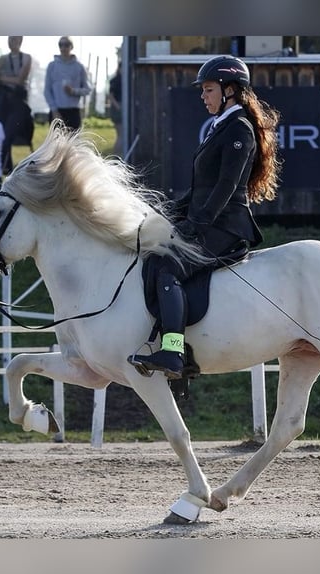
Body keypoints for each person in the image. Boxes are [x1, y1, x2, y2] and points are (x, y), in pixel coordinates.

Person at [128, 55, 282, 379]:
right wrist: (166, 211)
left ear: (230, 90)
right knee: (154, 258)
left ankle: (172, 350)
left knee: (166, 266)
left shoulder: (239, 130)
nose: (203, 96)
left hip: (226, 226)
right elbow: (201, 189)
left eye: (209, 89)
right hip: (209, 220)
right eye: (203, 91)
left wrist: (197, 225)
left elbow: (226, 187)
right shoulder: (219, 128)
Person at [0, 36, 34, 174]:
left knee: (9, 134)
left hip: (18, 101)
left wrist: (1, 77)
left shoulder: (26, 58)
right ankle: (4, 166)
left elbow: (20, 80)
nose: (12, 42)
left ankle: (6, 167)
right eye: (10, 39)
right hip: (2, 102)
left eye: (15, 39)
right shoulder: (1, 59)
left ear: (20, 41)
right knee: (0, 133)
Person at [43, 36, 91, 130]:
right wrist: (54, 110)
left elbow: (88, 89)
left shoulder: (79, 67)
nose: (63, 48)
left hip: (73, 111)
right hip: (57, 111)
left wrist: (73, 91)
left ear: (71, 47)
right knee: (56, 143)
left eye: (66, 45)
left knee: (74, 143)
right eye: (60, 45)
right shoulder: (52, 66)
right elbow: (47, 90)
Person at [108, 62, 123, 157]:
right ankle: (116, 156)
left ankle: (118, 155)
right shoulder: (115, 80)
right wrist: (118, 107)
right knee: (121, 135)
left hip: (119, 108)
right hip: (117, 109)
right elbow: (111, 96)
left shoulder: (124, 80)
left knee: (121, 135)